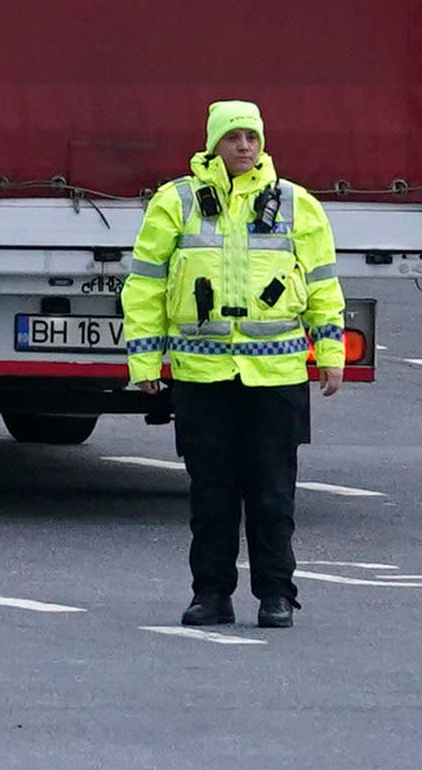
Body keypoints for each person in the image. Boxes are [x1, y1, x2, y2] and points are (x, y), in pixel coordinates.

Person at [122, 97, 345, 629]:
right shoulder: (175, 202)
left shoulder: (296, 204)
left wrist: (330, 353)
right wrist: (144, 362)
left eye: (252, 137)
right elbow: (146, 287)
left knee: (273, 494)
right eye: (233, 137)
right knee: (211, 495)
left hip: (277, 376)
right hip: (203, 376)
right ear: (212, 143)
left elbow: (323, 287)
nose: (244, 146)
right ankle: (211, 595)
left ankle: (276, 595)